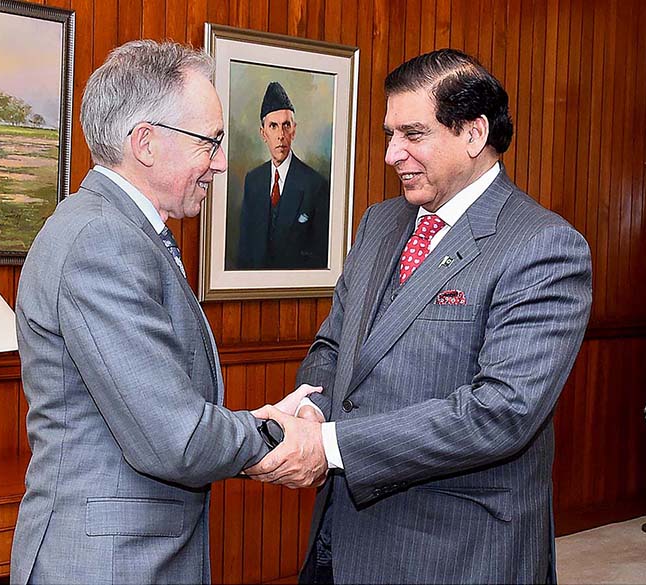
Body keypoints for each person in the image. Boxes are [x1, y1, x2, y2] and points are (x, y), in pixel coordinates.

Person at [247, 49, 593, 584]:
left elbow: (500, 413)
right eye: (389, 135)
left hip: (455, 551)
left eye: (412, 134)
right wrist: (313, 412)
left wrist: (332, 445)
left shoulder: (543, 246)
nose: (392, 155)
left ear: (474, 135)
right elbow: (333, 346)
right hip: (342, 537)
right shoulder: (381, 222)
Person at [10, 40, 317, 585]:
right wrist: (271, 433)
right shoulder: (102, 240)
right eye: (210, 141)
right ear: (145, 143)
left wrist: (254, 423)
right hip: (108, 566)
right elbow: (175, 439)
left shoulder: (120, 230)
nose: (222, 162)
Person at [236, 81, 330, 270]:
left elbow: (319, 256)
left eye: (286, 125)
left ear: (294, 130)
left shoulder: (315, 184)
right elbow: (245, 249)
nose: (280, 135)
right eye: (273, 126)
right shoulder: (253, 180)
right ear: (263, 133)